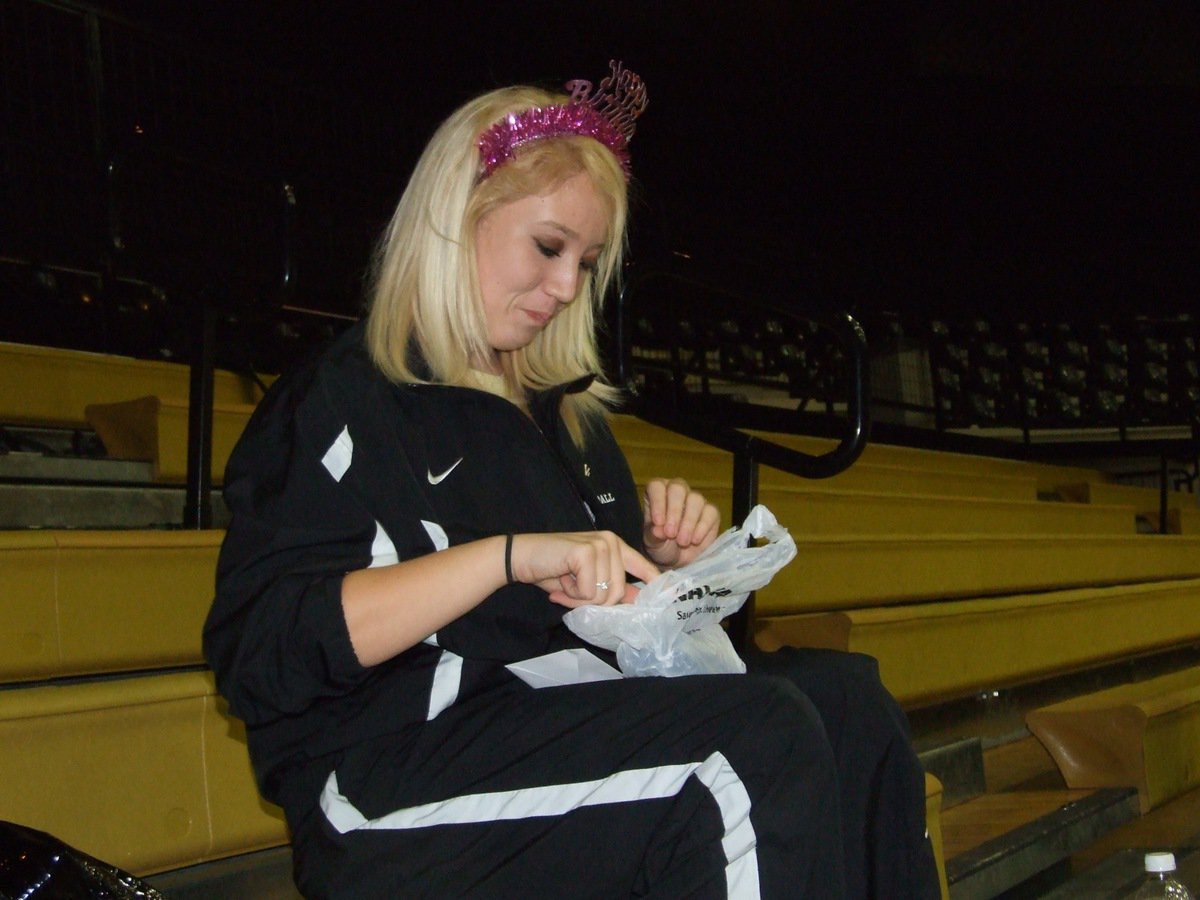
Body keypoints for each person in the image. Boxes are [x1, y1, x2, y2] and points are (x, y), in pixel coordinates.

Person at [203, 62, 939, 899]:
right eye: (548, 247)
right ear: (455, 218)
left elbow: (604, 630)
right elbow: (262, 657)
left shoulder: (563, 421)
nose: (564, 288)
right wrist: (506, 556)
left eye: (586, 263)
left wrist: (665, 563)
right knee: (744, 746)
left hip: (553, 725)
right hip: (388, 775)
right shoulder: (342, 401)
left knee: (848, 700)